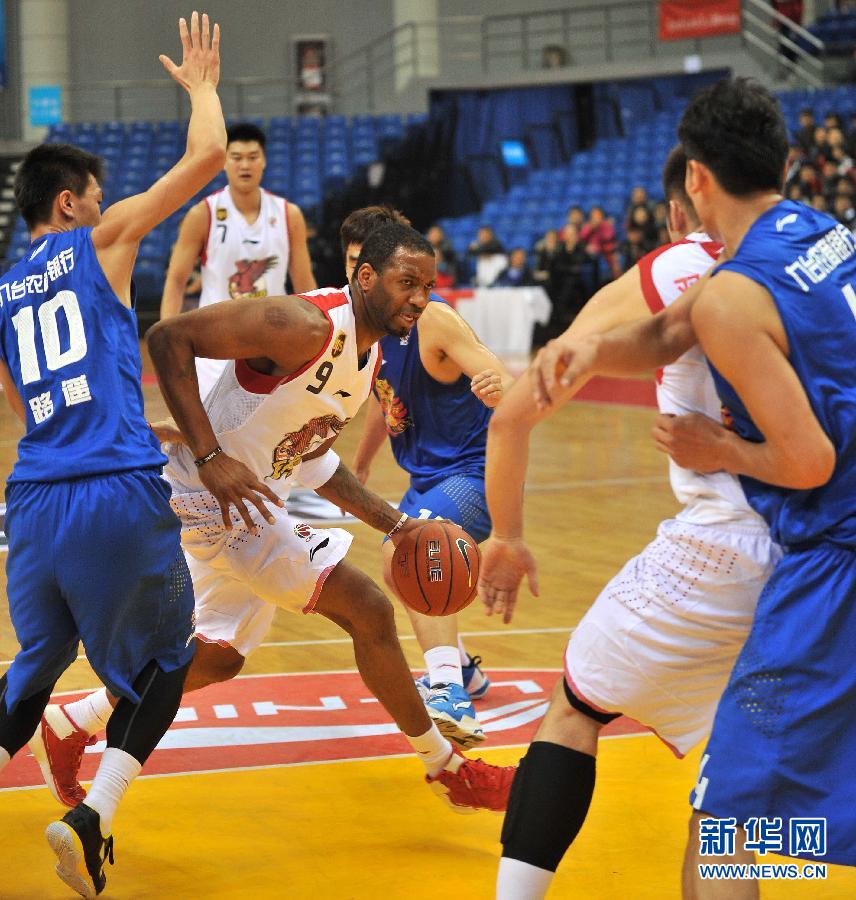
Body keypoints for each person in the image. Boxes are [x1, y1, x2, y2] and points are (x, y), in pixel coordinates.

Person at [29, 222, 515, 818]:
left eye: (428, 285)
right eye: (406, 282)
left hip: (249, 502)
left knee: (217, 657)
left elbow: (306, 453)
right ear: (366, 278)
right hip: (211, 497)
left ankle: (72, 721)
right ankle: (447, 768)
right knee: (370, 610)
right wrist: (209, 458)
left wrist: (393, 523)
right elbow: (167, 338)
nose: (420, 296)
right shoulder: (306, 325)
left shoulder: (366, 360)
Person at [527, 77, 856, 891]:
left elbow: (808, 460)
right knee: (802, 808)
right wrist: (593, 350)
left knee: (733, 815)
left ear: (697, 179)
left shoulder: (736, 298)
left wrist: (720, 448)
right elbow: (677, 327)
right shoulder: (822, 232)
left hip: (834, 557)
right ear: (783, 161)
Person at [478, 143, 781, 898]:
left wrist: (507, 537)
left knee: (577, 703)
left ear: (683, 205)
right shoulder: (823, 254)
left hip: (726, 548)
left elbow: (514, 416)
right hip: (820, 559)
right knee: (730, 802)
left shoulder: (675, 270)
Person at [0, 13, 224, 897]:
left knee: (36, 668)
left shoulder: (6, 289)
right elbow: (205, 158)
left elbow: (30, 397)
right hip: (112, 498)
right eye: (94, 194)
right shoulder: (98, 242)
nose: (104, 203)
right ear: (70, 204)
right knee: (168, 666)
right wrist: (203, 88)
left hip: (34, 501)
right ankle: (91, 818)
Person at [344, 206, 513, 748]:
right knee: (400, 570)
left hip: (476, 472)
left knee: (414, 549)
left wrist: (498, 384)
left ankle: (449, 694)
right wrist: (364, 461)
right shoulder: (367, 327)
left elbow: (497, 372)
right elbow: (380, 401)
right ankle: (464, 669)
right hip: (426, 475)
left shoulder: (433, 320)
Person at [160, 121, 317, 398]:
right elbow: (175, 281)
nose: (245, 165)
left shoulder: (288, 214)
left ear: (264, 161)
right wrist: (168, 344)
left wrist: (319, 339)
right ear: (224, 162)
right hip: (216, 344)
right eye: (236, 157)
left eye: (253, 157)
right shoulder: (202, 214)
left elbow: (304, 282)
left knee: (279, 437)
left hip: (275, 342)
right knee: (211, 434)